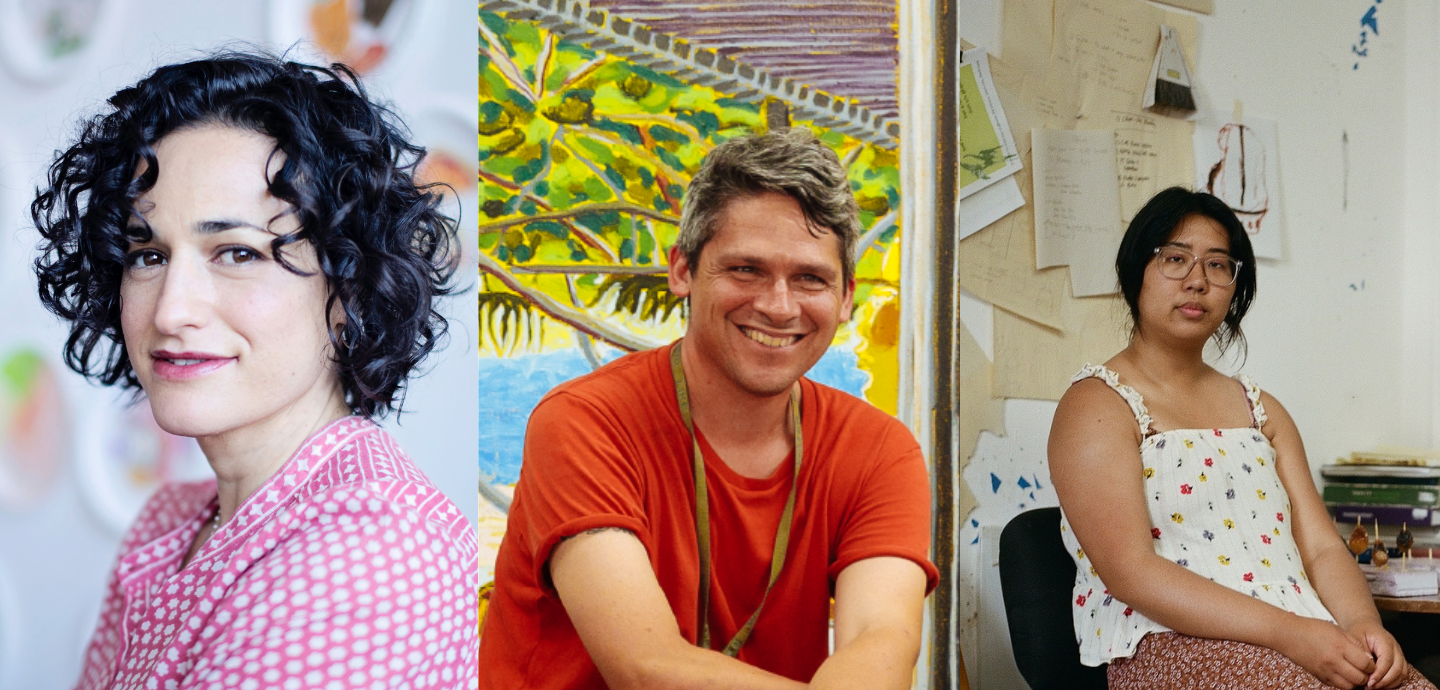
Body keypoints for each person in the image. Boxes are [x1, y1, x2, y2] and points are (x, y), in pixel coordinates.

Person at [31, 52, 478, 688]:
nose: (172, 310)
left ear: (349, 290)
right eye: (148, 255)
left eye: (237, 253)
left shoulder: (373, 546)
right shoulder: (170, 521)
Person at [478, 128, 938, 689]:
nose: (778, 306)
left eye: (810, 278)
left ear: (845, 299)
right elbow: (645, 667)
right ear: (682, 270)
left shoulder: (879, 450)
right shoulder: (583, 422)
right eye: (746, 269)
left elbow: (881, 640)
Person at [1048, 187, 1435, 689]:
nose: (1197, 280)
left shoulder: (1261, 410)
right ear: (1135, 272)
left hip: (1306, 633)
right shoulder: (1097, 405)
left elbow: (1321, 548)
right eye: (1175, 259)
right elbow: (1131, 572)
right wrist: (1289, 633)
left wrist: (1363, 625)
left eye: (1217, 265)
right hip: (1170, 644)